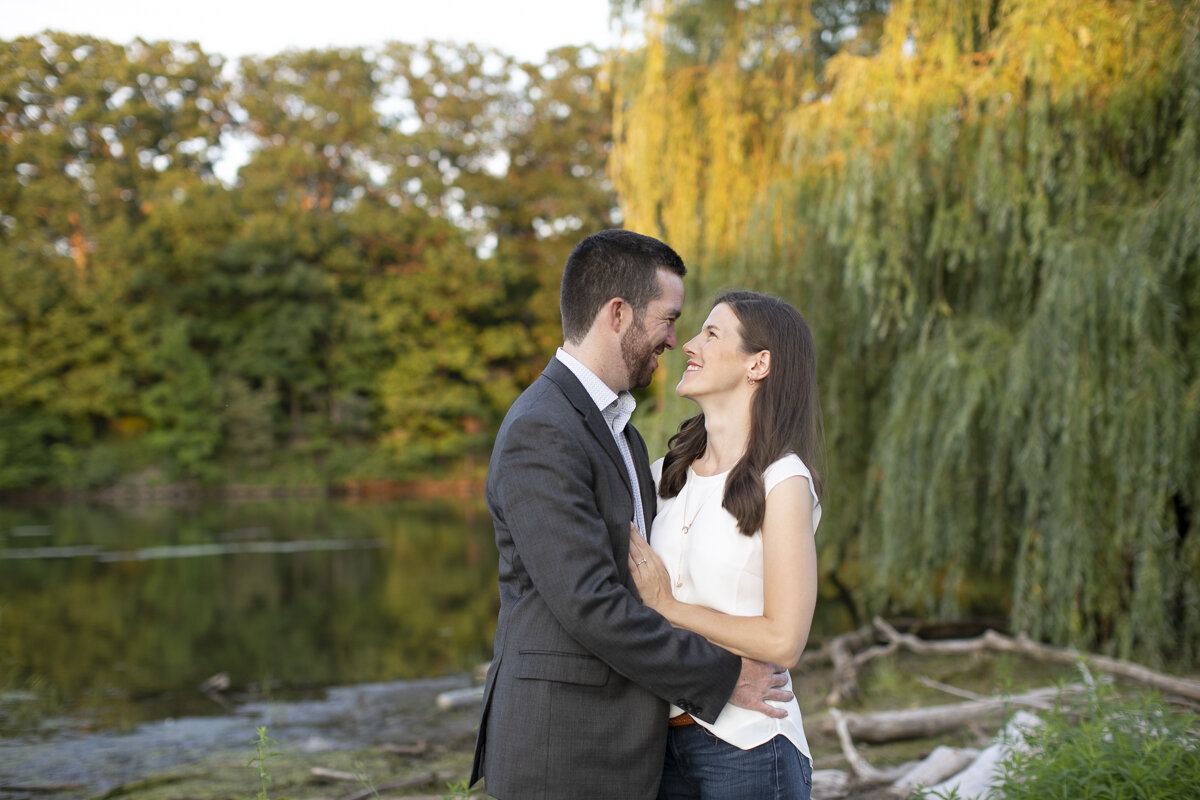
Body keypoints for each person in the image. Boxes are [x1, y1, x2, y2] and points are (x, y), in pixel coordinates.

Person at [470, 231, 793, 800]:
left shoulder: (622, 432)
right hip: (562, 746)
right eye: (668, 318)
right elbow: (590, 602)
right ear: (618, 313)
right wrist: (721, 676)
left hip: (627, 745)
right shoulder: (542, 429)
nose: (675, 338)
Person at [627, 291, 823, 800]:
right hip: (659, 744)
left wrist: (667, 606)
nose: (688, 344)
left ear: (759, 363)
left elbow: (784, 640)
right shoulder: (661, 478)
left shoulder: (783, 481)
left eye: (711, 334)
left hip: (750, 748)